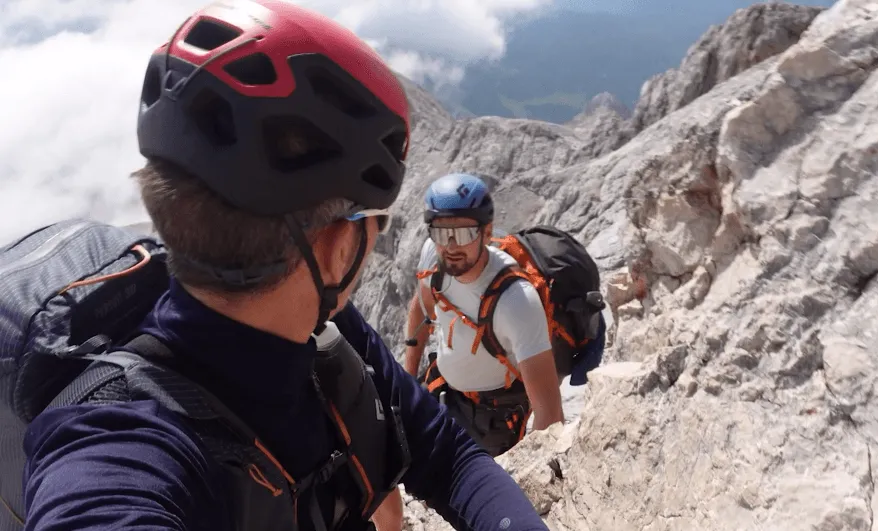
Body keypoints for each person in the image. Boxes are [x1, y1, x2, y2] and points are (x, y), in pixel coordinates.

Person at [11, 2, 549, 530]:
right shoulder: (116, 447)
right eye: (375, 221)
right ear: (339, 248)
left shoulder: (327, 330)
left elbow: (446, 455)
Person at [403, 173, 566, 457]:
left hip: (493, 419)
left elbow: (549, 416)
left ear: (487, 233)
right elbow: (422, 306)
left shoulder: (516, 301)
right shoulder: (433, 255)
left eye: (464, 233)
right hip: (442, 387)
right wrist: (407, 378)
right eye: (441, 232)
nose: (451, 245)